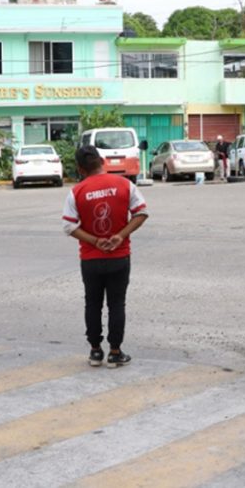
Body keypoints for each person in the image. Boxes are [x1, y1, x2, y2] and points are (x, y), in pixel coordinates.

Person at [62, 145, 149, 368]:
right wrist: (119, 236)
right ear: (102, 160)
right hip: (119, 257)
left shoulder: (77, 191)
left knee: (92, 304)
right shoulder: (124, 184)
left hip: (90, 259)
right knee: (116, 304)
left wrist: (94, 241)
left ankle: (95, 351)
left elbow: (69, 227)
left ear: (80, 169)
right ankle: (115, 352)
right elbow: (141, 212)